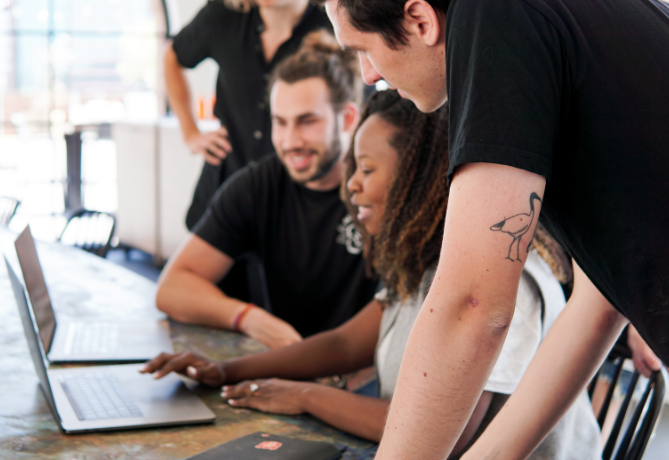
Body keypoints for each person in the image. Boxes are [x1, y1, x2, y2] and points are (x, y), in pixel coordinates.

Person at [315, 0, 669, 458]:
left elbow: (472, 304)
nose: (368, 74)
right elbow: (600, 304)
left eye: (363, 48)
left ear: (419, 20)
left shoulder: (493, 14)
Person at [141, 90, 601, 459]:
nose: (351, 185)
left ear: (419, 179)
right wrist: (224, 370)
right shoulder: (423, 262)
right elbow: (344, 343)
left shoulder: (504, 282)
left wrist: (306, 397)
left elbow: (446, 435)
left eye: (366, 168)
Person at [157, 31, 378, 349]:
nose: (290, 142)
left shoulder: (383, 187)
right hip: (286, 362)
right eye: (280, 122)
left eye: (306, 121)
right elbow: (172, 288)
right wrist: (248, 318)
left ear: (347, 119)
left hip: (367, 369)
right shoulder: (259, 185)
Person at [166, 0, 331, 229]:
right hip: (224, 182)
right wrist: (190, 133)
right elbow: (172, 57)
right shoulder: (222, 14)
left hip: (293, 199)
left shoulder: (334, 27)